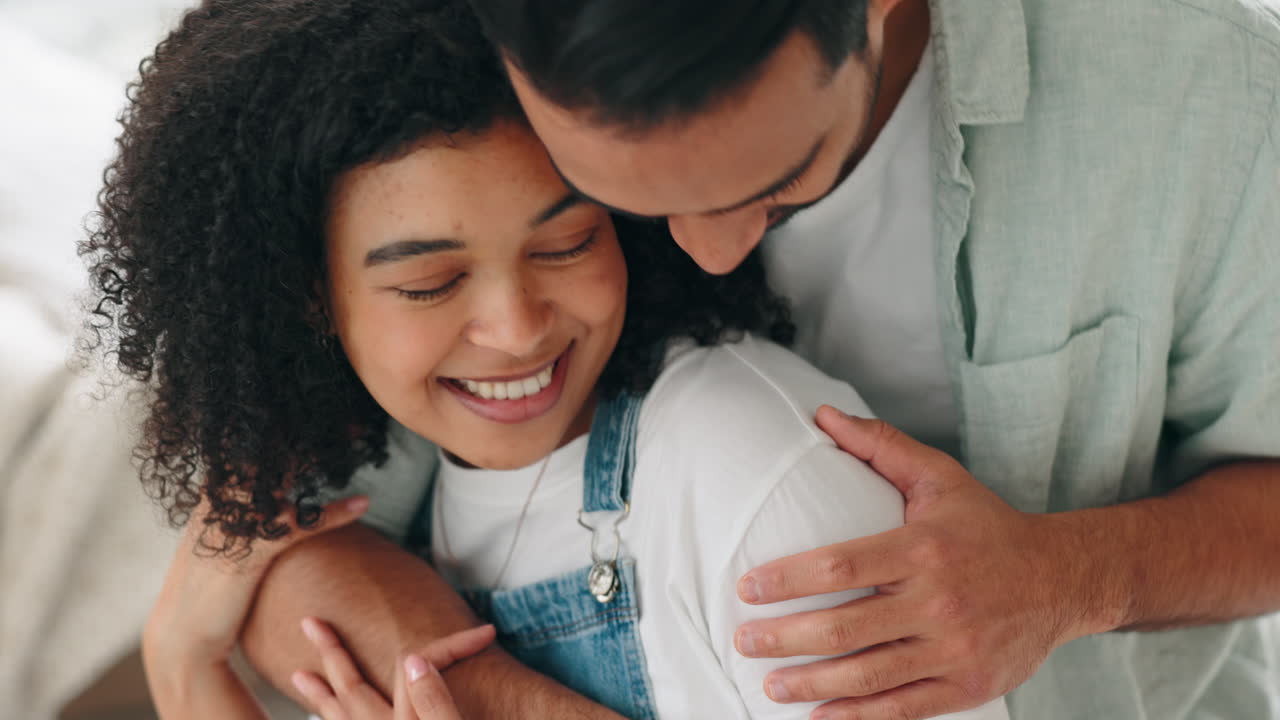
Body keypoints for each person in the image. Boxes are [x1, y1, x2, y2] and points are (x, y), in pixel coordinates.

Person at [226, 0, 1280, 719]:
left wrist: (1067, 578)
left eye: (777, 184)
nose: (710, 251)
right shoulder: (454, 63)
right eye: (615, 207)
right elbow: (279, 556)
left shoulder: (1200, 97)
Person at [82, 0, 1009, 718]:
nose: (518, 329)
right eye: (430, 284)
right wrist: (184, 659)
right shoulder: (429, 488)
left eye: (565, 246)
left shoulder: (760, 485)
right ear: (308, 300)